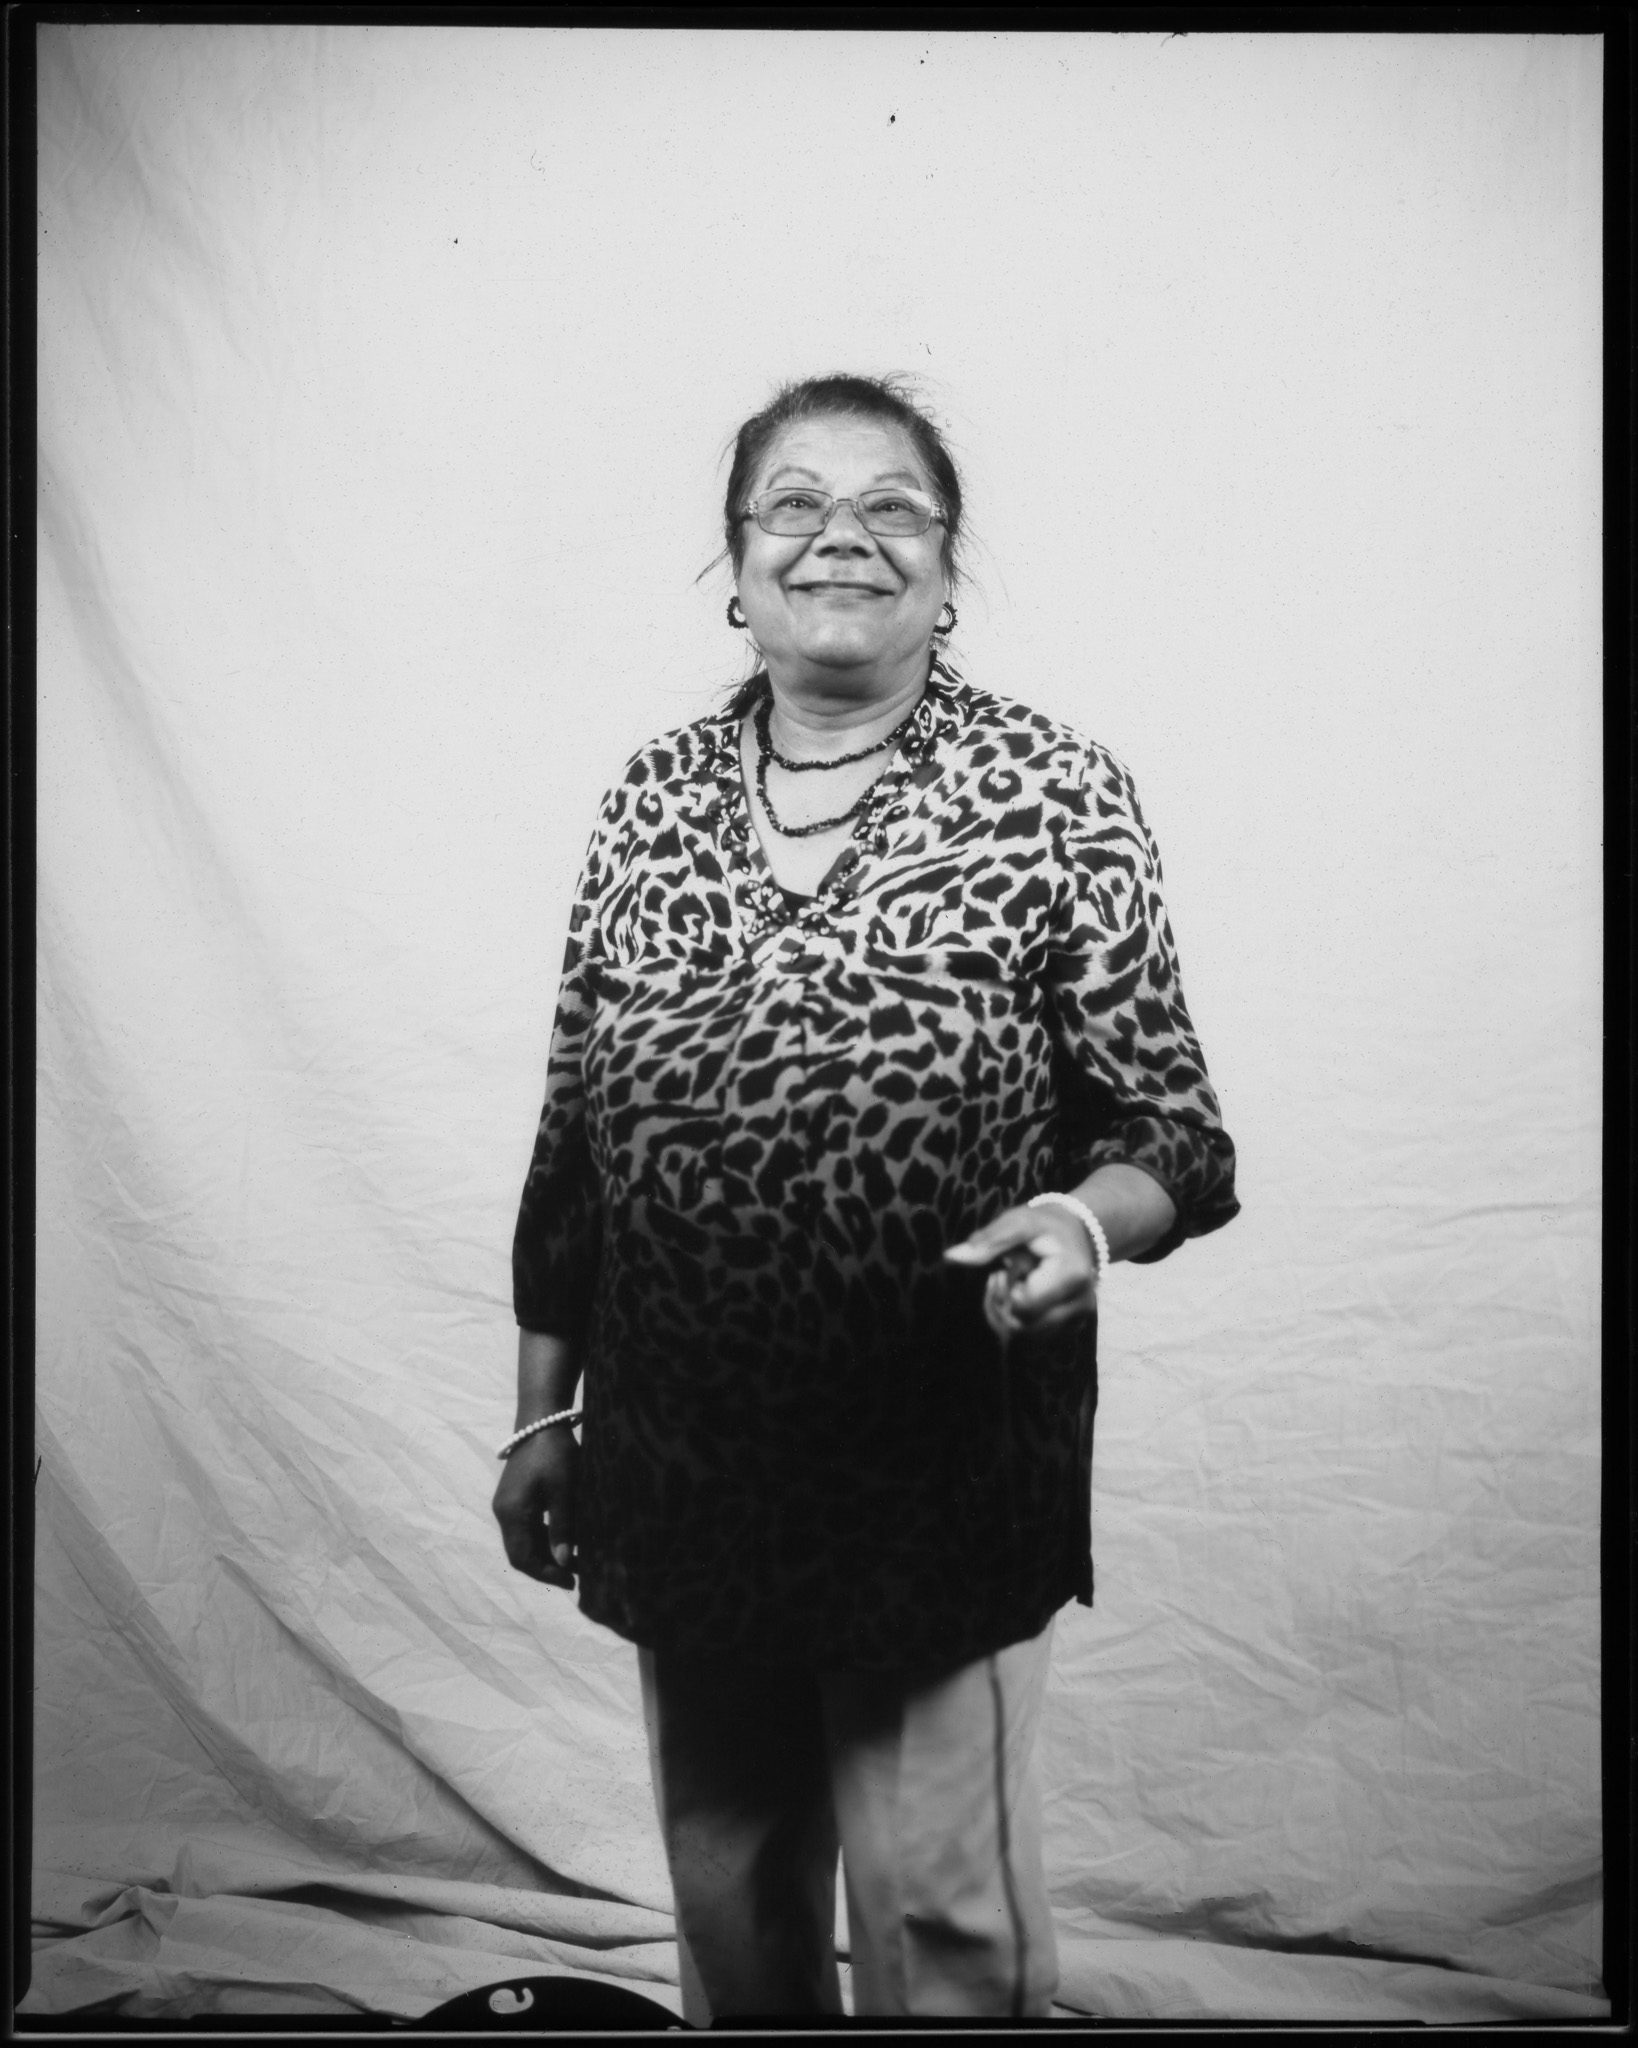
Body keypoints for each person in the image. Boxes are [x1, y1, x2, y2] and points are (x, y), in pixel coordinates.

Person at [494, 373, 1238, 2022]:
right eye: (795, 506)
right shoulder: (646, 796)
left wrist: (1077, 1224)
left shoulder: (1052, 790)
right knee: (728, 1883)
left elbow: (1174, 1134)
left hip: (935, 1470)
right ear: (736, 569)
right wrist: (540, 1418)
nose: (843, 534)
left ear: (947, 570)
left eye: (893, 504)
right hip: (684, 1456)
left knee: (939, 1917)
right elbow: (573, 1138)